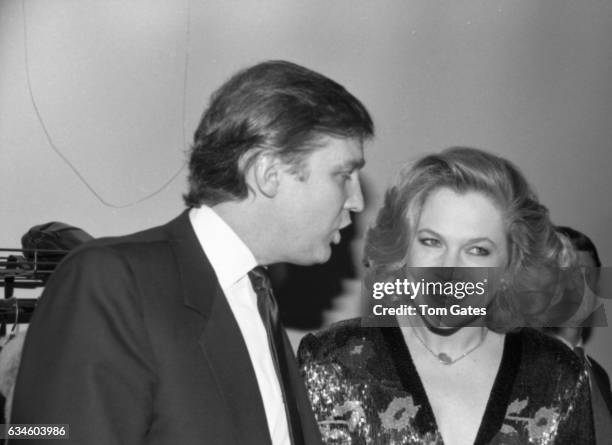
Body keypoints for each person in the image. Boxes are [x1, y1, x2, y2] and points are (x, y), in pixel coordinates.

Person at [10, 60, 374, 445]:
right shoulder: (110, 281)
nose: (356, 199)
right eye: (343, 175)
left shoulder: (255, 296)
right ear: (267, 172)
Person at [298, 147, 594, 444]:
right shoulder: (332, 360)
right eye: (432, 242)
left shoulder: (557, 373)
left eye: (477, 250)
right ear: (404, 251)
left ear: (510, 268)